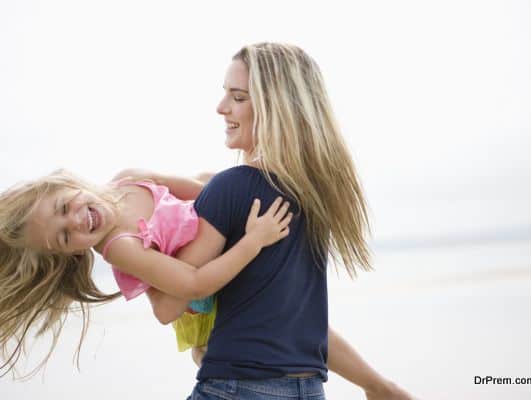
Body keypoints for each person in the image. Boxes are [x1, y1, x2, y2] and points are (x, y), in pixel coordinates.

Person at [122, 43, 417, 399]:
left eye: (238, 97)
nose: (221, 108)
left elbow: (168, 307)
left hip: (237, 387)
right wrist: (376, 385)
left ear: (273, 108)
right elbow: (304, 326)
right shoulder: (312, 195)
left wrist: (137, 250)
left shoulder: (232, 188)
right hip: (307, 389)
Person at [0, 169, 292, 381]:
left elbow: (211, 194)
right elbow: (191, 284)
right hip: (200, 293)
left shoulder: (129, 179)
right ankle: (207, 353)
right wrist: (253, 241)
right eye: (65, 236)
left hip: (212, 256)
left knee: (208, 175)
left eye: (63, 206)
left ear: (68, 182)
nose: (75, 221)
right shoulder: (120, 247)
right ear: (70, 252)